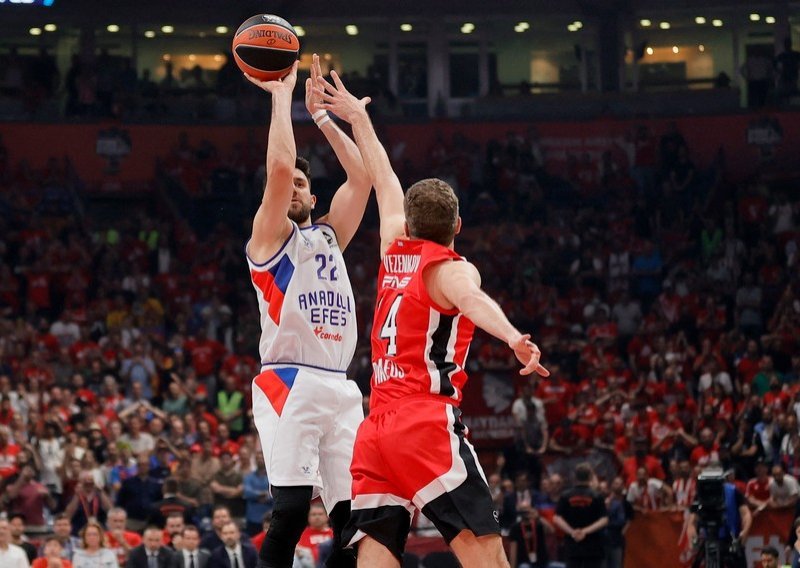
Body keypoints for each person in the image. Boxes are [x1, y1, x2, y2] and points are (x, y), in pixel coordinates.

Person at [313, 68, 548, 567]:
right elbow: (473, 301)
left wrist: (356, 116)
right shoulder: (449, 269)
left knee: (376, 555)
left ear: (410, 222)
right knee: (489, 560)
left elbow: (383, 176)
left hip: (374, 431)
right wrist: (513, 338)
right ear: (458, 226)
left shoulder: (393, 245)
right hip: (424, 423)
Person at [243, 50, 371, 568]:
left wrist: (323, 118)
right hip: (289, 381)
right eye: (287, 186)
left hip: (340, 386)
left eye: (302, 184)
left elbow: (360, 179)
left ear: (314, 197)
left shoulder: (329, 237)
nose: (293, 187)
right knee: (292, 511)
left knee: (351, 521)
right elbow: (278, 166)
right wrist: (283, 97)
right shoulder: (269, 239)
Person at [684, 468, 751, 568]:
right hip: (709, 539)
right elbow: (692, 521)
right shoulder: (702, 494)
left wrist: (744, 532)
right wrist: (693, 538)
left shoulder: (733, 491)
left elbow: (746, 514)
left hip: (731, 539)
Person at [552, 463, 609, 568]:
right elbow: (604, 519)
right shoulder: (597, 496)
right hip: (593, 546)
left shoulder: (565, 496)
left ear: (575, 477)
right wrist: (584, 531)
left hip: (572, 544)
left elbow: (556, 518)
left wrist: (572, 532)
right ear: (590, 477)